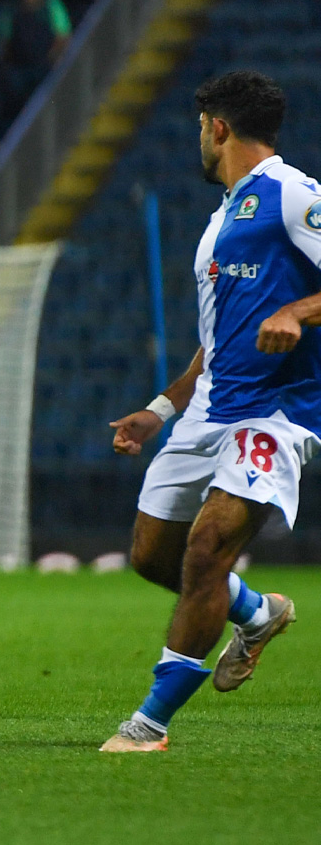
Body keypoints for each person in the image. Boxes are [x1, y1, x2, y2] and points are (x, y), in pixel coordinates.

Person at [101, 72, 308, 752]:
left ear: (218, 127)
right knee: (151, 554)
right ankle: (256, 612)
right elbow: (215, 340)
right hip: (209, 408)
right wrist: (160, 409)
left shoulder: (291, 194)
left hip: (273, 414)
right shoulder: (222, 219)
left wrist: (297, 311)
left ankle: (149, 723)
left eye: (199, 126)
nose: (198, 137)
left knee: (206, 547)